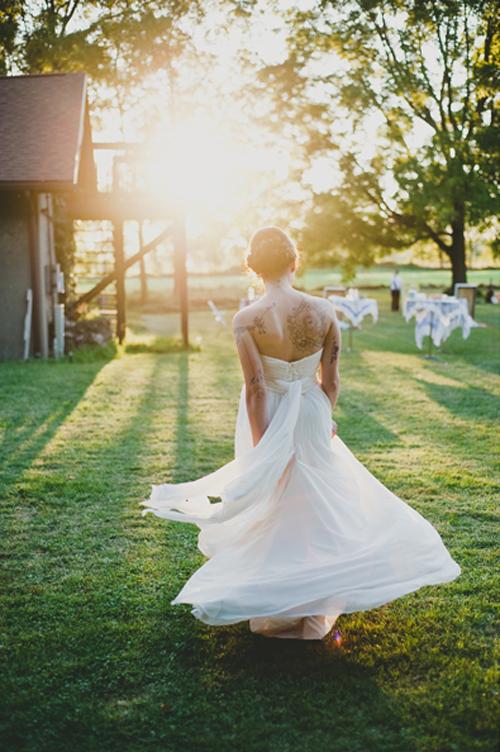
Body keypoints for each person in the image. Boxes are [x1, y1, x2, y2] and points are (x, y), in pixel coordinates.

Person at [141, 226, 461, 640]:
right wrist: (323, 413)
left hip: (269, 411)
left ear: (253, 268)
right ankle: (314, 607)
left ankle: (281, 603)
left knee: (276, 502)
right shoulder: (325, 312)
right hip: (311, 410)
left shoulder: (246, 320)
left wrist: (263, 448)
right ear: (295, 263)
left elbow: (256, 386)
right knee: (314, 502)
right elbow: (332, 379)